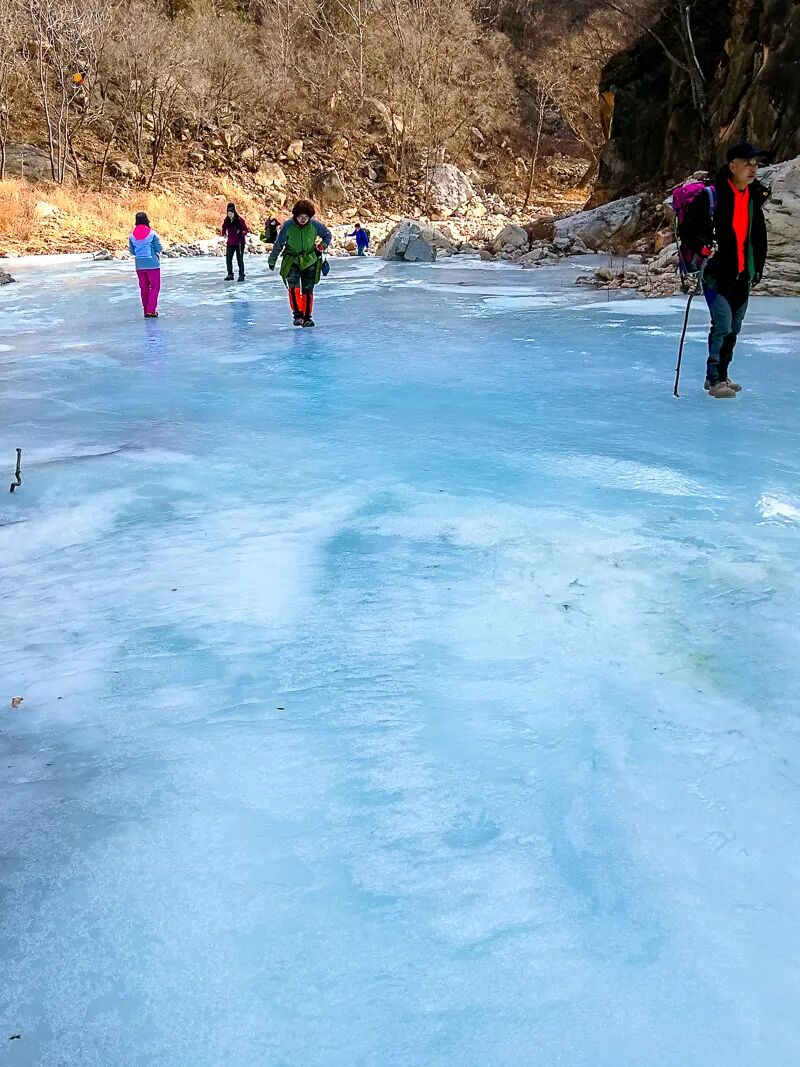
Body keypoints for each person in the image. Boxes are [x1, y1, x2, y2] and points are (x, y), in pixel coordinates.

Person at [683, 141, 769, 398]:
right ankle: (715, 379)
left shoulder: (753, 197)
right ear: (732, 166)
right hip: (716, 274)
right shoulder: (712, 196)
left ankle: (722, 374)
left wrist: (757, 269)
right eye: (747, 164)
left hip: (744, 274)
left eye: (755, 165)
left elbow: (758, 237)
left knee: (734, 328)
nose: (753, 170)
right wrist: (704, 248)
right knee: (722, 324)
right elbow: (688, 229)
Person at [268, 199, 332, 327]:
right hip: (292, 260)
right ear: (295, 216)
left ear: (310, 217)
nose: (303, 220)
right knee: (294, 288)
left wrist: (322, 246)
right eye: (300, 217)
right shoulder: (288, 226)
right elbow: (279, 243)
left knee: (308, 289)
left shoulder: (315, 225)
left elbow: (327, 235)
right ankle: (298, 315)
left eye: (306, 217)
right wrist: (272, 259)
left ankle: (307, 317)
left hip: (310, 260)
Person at [128, 211, 163, 318]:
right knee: (155, 287)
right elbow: (159, 248)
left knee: (144, 288)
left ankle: (146, 310)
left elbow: (132, 251)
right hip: (153, 264)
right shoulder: (152, 234)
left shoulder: (131, 236)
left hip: (139, 265)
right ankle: (151, 310)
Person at [222, 202, 249, 281]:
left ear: (234, 213)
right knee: (228, 259)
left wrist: (241, 232)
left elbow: (246, 230)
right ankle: (230, 274)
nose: (230, 215)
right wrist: (224, 233)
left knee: (239, 259)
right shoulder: (227, 220)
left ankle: (241, 275)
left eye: (231, 214)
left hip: (239, 243)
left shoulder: (240, 220)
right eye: (228, 214)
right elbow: (224, 227)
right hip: (230, 242)